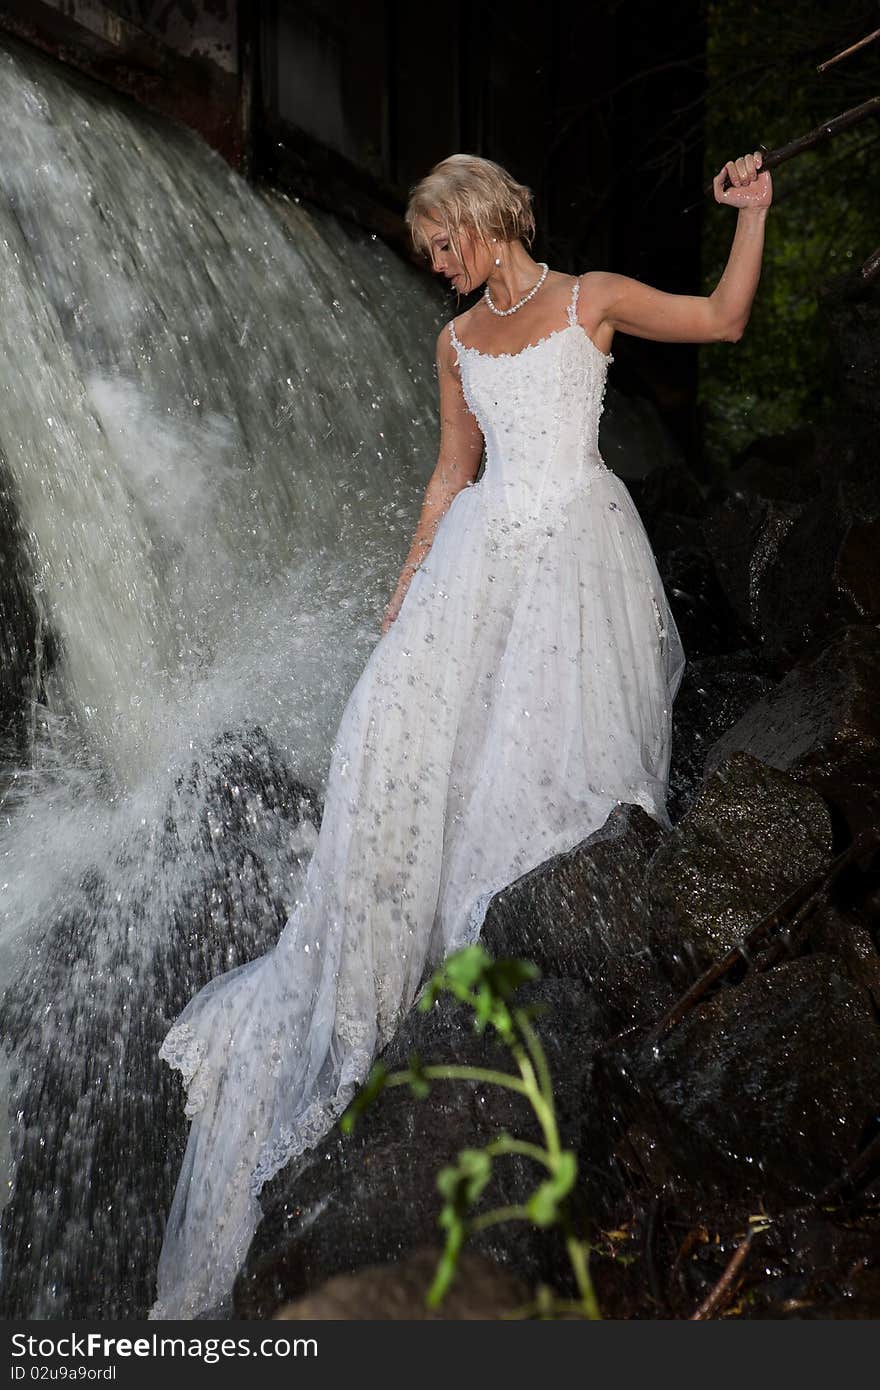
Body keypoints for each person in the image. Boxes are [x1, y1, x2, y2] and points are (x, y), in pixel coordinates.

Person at [150, 149, 771, 1320]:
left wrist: (752, 215)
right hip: (479, 561)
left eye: (442, 242)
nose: (434, 265)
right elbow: (448, 474)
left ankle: (564, 959)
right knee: (411, 747)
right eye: (428, 251)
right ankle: (445, 991)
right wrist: (404, 592)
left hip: (577, 557)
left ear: (488, 215)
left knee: (561, 762)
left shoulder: (592, 298)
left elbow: (726, 320)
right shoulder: (451, 345)